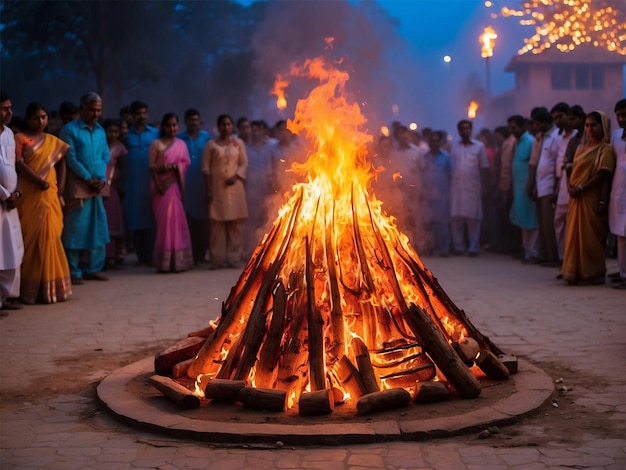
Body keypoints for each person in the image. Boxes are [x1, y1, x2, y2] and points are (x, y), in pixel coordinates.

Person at [14, 103, 72, 304]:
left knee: (51, 236)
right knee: (30, 239)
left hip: (50, 194)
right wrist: (38, 181)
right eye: (37, 118)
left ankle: (54, 288)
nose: (41, 122)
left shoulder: (52, 141)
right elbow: (19, 164)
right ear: (28, 119)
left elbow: (62, 162)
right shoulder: (20, 138)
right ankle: (30, 291)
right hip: (31, 194)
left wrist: (61, 186)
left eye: (44, 117)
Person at [60, 92, 110, 284]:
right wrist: (88, 178)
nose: (96, 114)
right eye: (92, 110)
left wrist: (102, 178)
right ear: (82, 109)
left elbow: (105, 156)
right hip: (79, 186)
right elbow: (71, 158)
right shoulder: (69, 130)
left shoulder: (100, 131)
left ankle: (94, 268)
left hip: (97, 186)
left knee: (98, 226)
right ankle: (74, 271)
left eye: (99, 110)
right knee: (75, 228)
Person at [562, 111, 616, 285]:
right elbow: (571, 170)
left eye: (594, 125)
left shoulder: (605, 149)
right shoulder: (580, 148)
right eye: (587, 125)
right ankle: (574, 271)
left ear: (603, 127)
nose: (590, 129)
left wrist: (583, 188)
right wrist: (570, 187)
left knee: (590, 238)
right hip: (575, 198)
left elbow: (603, 175)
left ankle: (592, 273)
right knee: (573, 236)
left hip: (590, 198)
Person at [202, 114, 248, 270]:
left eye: (229, 124)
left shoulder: (238, 143)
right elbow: (206, 169)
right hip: (217, 188)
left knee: (236, 225)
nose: (226, 127)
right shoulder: (211, 145)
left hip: (235, 188)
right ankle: (217, 259)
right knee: (217, 225)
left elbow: (244, 163)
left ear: (232, 126)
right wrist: (208, 189)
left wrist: (236, 176)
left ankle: (234, 258)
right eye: (223, 124)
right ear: (218, 126)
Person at [149, 113, 193, 273]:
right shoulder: (156, 144)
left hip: (175, 187)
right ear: (163, 126)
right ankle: (163, 263)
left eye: (175, 125)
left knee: (177, 221)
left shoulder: (181, 144)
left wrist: (175, 167)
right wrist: (159, 184)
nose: (172, 128)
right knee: (164, 223)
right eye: (169, 125)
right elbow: (152, 167)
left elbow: (186, 164)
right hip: (160, 188)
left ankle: (179, 262)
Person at [125, 100, 159, 265]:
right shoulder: (126, 135)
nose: (141, 116)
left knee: (152, 218)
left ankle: (152, 255)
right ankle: (141, 256)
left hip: (151, 181)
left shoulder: (155, 133)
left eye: (144, 113)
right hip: (133, 183)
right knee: (136, 219)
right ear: (132, 116)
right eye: (138, 113)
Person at [449, 119, 489, 256]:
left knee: (474, 219)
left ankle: (473, 247)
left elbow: (484, 167)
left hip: (473, 187)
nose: (465, 131)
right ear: (459, 131)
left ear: (471, 130)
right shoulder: (454, 146)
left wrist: (484, 187)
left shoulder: (479, 146)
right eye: (462, 129)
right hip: (457, 188)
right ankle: (458, 247)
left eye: (467, 128)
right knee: (456, 218)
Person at [0, 91, 24, 312]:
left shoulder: (9, 134)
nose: (10, 113)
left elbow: (13, 168)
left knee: (11, 250)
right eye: (4, 108)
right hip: (2, 200)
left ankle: (4, 298)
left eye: (10, 108)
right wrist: (5, 195)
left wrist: (16, 193)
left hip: (10, 203)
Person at [178, 109, 211, 265]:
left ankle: (201, 254)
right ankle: (189, 256)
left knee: (203, 222)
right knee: (187, 221)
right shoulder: (179, 139)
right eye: (191, 120)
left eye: (196, 119)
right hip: (184, 184)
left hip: (201, 183)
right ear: (185, 121)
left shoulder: (206, 138)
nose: (194, 122)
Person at [528, 107, 560, 266]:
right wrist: (532, 183)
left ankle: (553, 257)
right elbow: (534, 162)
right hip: (540, 186)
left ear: (546, 122)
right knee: (542, 224)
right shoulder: (539, 138)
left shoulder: (555, 137)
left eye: (538, 123)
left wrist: (556, 188)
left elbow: (556, 164)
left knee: (549, 225)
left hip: (550, 186)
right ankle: (546, 254)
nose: (535, 127)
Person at [507, 115, 539, 263]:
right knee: (522, 219)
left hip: (528, 186)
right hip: (518, 187)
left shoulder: (531, 141)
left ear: (523, 127)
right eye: (510, 128)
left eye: (514, 127)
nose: (511, 130)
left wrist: (532, 184)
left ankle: (533, 252)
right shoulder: (517, 143)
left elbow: (534, 164)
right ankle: (526, 251)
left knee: (531, 220)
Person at [244, 119, 277, 256]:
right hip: (251, 188)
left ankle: (265, 250)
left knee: (266, 219)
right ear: (251, 130)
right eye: (254, 129)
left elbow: (276, 165)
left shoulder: (270, 147)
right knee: (251, 220)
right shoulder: (245, 147)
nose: (257, 132)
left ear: (264, 131)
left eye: (259, 129)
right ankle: (250, 250)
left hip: (266, 188)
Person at [102, 119, 127, 269]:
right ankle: (102, 257)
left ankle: (113, 255)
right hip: (99, 187)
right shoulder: (101, 146)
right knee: (102, 221)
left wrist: (119, 184)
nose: (113, 134)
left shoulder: (121, 148)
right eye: (110, 131)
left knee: (113, 221)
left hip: (113, 188)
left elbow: (123, 168)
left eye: (116, 132)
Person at [422, 131, 451, 256]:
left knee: (442, 223)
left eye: (436, 140)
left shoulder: (446, 157)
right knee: (428, 223)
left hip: (442, 195)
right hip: (427, 195)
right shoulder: (425, 157)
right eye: (431, 140)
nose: (434, 142)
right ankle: (429, 248)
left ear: (440, 142)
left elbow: (451, 175)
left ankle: (444, 249)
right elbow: (421, 175)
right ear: (428, 142)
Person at [609, 99, 626, 289]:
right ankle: (623, 273)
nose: (621, 119)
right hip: (618, 192)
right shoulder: (615, 136)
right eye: (619, 116)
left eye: (624, 115)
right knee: (620, 236)